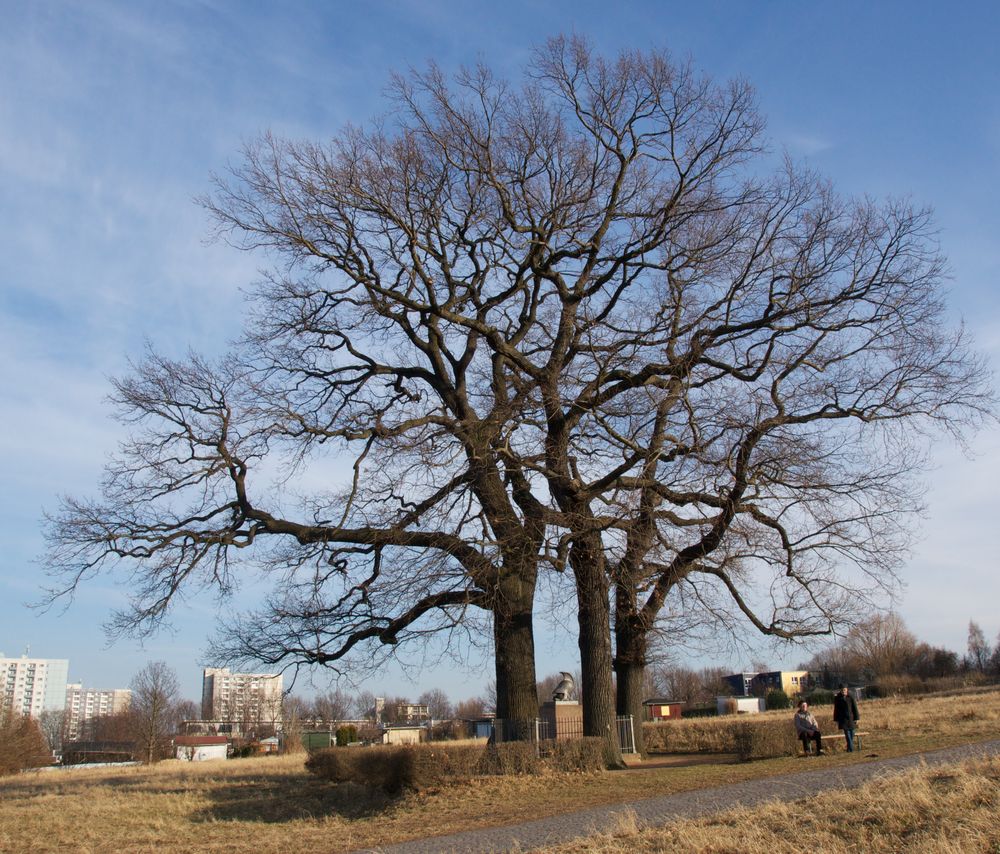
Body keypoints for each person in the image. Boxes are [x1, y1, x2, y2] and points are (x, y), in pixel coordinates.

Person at [833, 684, 861, 752]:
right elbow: (836, 709)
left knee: (852, 733)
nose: (843, 691)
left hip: (851, 718)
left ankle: (849, 748)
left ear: (847, 690)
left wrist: (856, 718)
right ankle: (851, 749)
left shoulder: (851, 697)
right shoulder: (837, 698)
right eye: (842, 690)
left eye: (845, 690)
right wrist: (836, 719)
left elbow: (855, 708)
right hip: (843, 719)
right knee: (847, 734)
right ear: (840, 690)